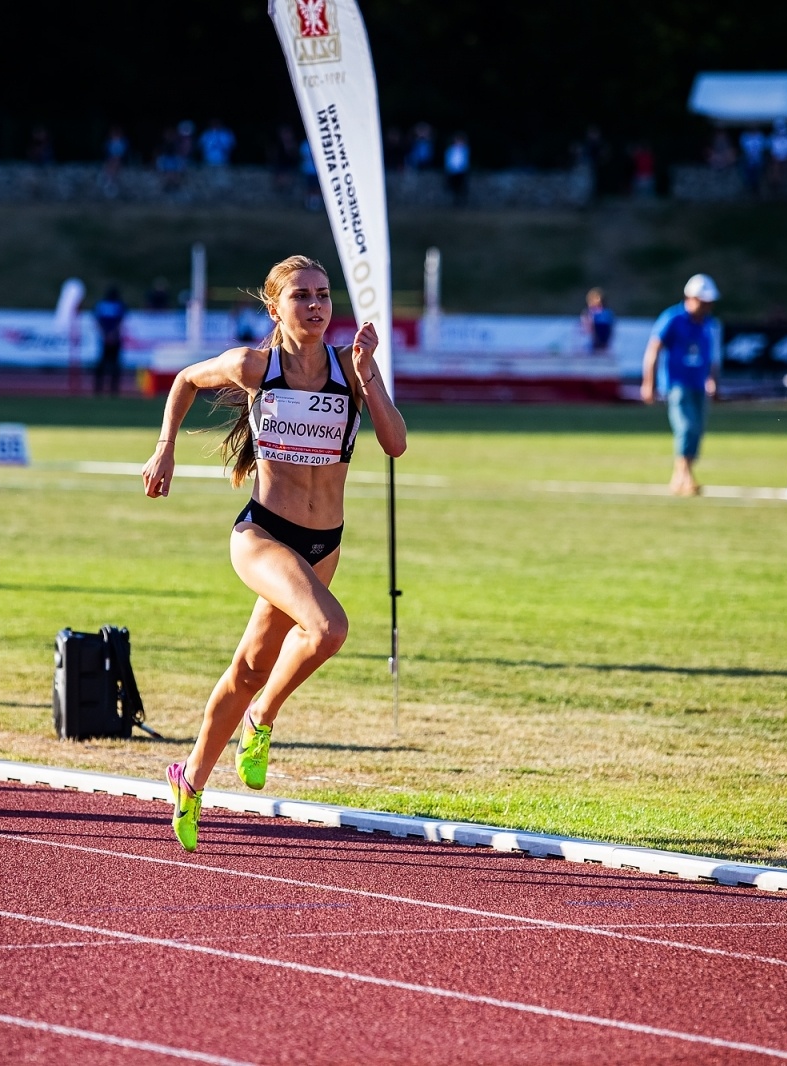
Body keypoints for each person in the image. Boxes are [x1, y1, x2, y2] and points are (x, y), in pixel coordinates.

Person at [141, 255, 407, 851]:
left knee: (249, 667)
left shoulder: (349, 367)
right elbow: (185, 380)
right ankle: (261, 720)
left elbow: (395, 443)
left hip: (324, 545)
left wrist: (369, 373)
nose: (315, 306)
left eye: (323, 295)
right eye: (301, 297)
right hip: (263, 535)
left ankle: (189, 780)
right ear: (275, 308)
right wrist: (165, 449)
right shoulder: (253, 365)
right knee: (329, 628)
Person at [641, 274, 721, 497]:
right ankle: (686, 477)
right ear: (691, 297)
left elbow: (710, 356)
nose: (707, 306)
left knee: (697, 431)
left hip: (698, 384)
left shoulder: (708, 323)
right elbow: (653, 349)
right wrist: (649, 383)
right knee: (685, 427)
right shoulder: (672, 318)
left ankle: (679, 477)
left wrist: (712, 379)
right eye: (703, 301)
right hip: (677, 384)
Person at [93, 286, 127, 396]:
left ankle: (98, 389)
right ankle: (113, 390)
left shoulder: (101, 305)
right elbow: (121, 321)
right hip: (115, 338)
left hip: (104, 338)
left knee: (102, 364)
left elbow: (97, 321)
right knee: (115, 364)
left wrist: (105, 335)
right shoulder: (119, 305)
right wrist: (113, 334)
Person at [581, 288, 615, 354]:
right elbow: (586, 327)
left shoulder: (607, 312)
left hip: (603, 335)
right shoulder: (589, 312)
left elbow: (610, 328)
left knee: (601, 346)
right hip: (593, 337)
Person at [444, 133, 470, 206]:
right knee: (453, 187)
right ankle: (455, 201)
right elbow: (448, 161)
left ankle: (462, 201)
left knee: (462, 187)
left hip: (461, 172)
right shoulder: (450, 150)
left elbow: (465, 161)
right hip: (452, 171)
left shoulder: (465, 150)